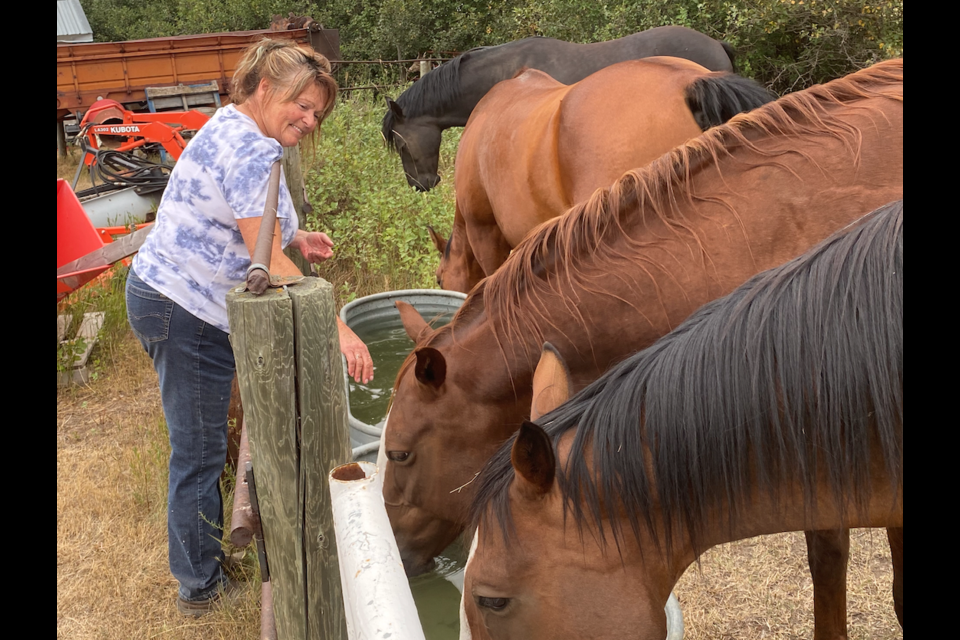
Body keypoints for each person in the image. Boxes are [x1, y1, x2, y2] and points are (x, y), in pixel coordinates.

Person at [125, 39, 372, 616]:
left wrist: (295, 237)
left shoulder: (239, 126)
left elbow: (252, 228)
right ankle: (198, 589)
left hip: (176, 299)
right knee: (199, 452)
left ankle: (206, 557)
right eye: (301, 105)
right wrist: (337, 326)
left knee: (204, 444)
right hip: (182, 310)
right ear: (266, 89)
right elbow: (272, 265)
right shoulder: (251, 150)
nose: (308, 120)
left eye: (317, 113)